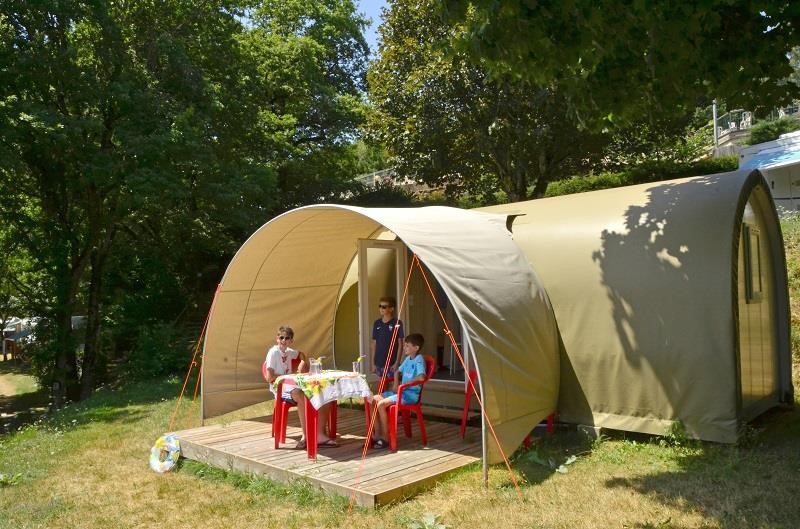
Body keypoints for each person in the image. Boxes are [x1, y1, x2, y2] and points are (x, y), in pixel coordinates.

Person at [263, 325, 338, 449]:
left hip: (291, 385)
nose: (283, 341)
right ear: (277, 338)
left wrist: (302, 362)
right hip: (280, 389)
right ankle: (306, 436)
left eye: (287, 338)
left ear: (291, 341)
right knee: (301, 395)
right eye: (281, 337)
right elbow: (269, 377)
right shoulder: (273, 352)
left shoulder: (288, 351)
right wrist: (290, 377)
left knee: (322, 392)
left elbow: (301, 354)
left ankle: (319, 434)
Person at [370, 333, 427, 449]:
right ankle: (377, 434)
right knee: (373, 399)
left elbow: (421, 377)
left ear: (416, 348)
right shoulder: (407, 359)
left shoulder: (418, 360)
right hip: (400, 392)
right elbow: (397, 372)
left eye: (407, 346)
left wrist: (405, 384)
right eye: (405, 345)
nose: (404, 348)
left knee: (381, 404)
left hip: (409, 396)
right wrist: (396, 383)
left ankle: (386, 437)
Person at [370, 296, 404, 381]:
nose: (381, 308)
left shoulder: (397, 323)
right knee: (382, 383)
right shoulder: (377, 323)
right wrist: (373, 363)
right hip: (379, 361)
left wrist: (397, 362)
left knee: (393, 383)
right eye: (380, 306)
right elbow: (374, 343)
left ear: (391, 309)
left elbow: (400, 343)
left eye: (384, 307)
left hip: (392, 361)